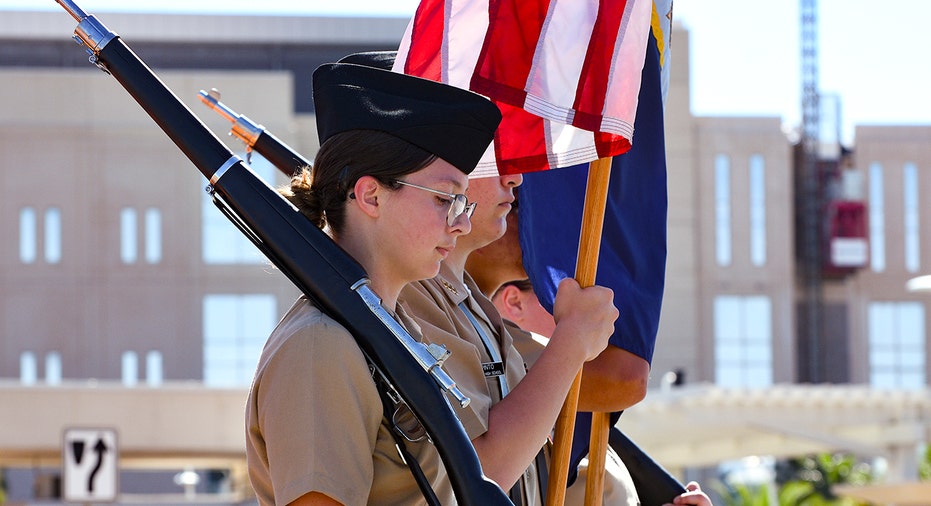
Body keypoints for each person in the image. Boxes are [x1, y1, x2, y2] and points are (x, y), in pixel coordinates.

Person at [244, 59, 504, 505]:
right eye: (445, 199)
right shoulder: (321, 345)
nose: (460, 224)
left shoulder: (393, 331)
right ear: (370, 195)